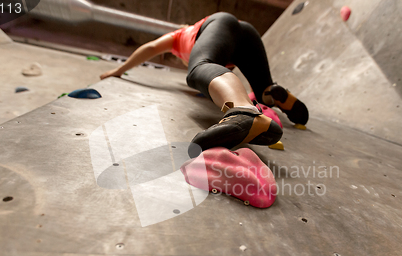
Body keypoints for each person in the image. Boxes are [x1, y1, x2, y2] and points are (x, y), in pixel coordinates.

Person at [100, 12, 309, 157]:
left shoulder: (180, 36)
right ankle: (272, 94)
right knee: (264, 91)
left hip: (220, 22)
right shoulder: (215, 43)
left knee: (199, 67)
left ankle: (245, 112)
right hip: (246, 34)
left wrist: (119, 70)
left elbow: (151, 47)